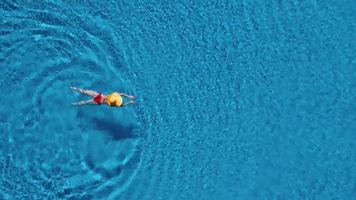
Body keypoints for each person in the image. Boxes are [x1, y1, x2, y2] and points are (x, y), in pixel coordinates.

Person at [70, 86, 135, 107]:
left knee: (84, 93)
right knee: (85, 102)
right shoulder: (115, 103)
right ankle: (74, 104)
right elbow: (122, 105)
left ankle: (73, 88)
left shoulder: (114, 95)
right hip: (99, 100)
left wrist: (129, 97)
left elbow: (122, 94)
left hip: (99, 97)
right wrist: (130, 101)